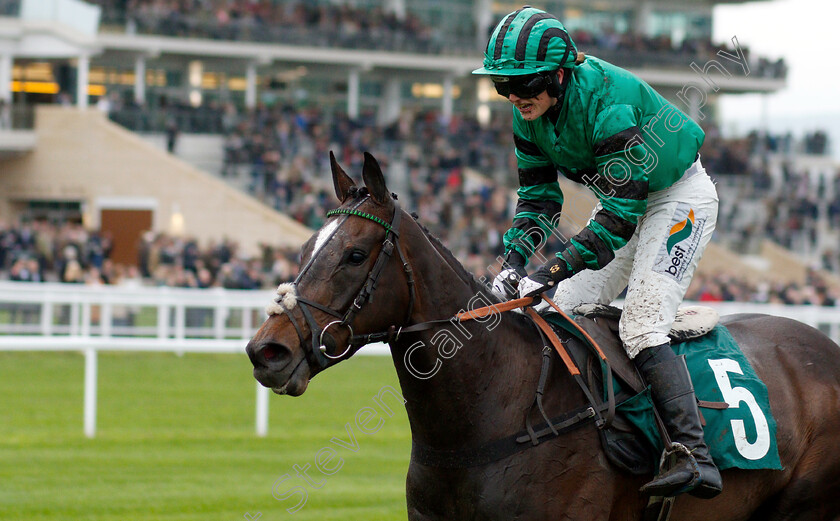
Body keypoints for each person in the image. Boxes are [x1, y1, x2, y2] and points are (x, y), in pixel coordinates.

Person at [474, 7, 721, 499]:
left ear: (560, 75)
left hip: (677, 199)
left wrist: (553, 266)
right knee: (559, 306)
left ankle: (694, 454)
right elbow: (540, 200)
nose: (516, 96)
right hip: (621, 202)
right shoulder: (529, 117)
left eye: (527, 83)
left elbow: (620, 218)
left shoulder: (607, 102)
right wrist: (515, 265)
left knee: (642, 322)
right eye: (505, 85)